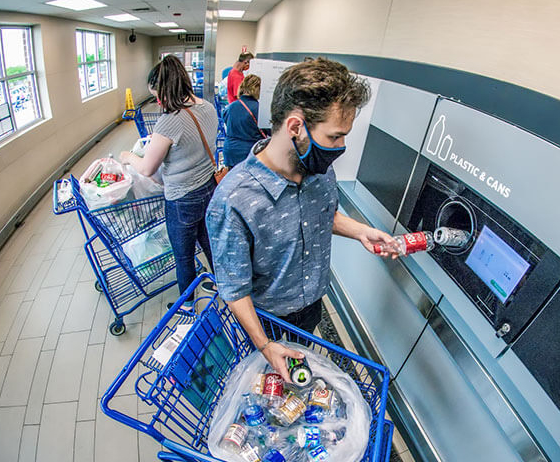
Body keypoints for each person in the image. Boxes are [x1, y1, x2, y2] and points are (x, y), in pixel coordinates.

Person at [206, 58, 399, 382]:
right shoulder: (234, 200)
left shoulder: (319, 172)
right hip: (266, 320)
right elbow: (234, 289)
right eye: (335, 137)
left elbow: (319, 216)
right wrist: (266, 346)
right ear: (296, 127)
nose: (341, 147)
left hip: (311, 306)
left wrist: (361, 231)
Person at [119, 54, 218, 309]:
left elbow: (148, 167)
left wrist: (129, 157)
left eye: (158, 94)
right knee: (208, 242)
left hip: (182, 198)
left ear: (165, 88)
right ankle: (222, 284)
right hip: (208, 187)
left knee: (183, 256)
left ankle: (186, 305)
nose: (158, 101)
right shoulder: (207, 107)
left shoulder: (169, 121)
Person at [222, 74, 266, 169]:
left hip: (230, 152)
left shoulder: (230, 107)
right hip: (249, 152)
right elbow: (267, 132)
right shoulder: (259, 109)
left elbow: (226, 123)